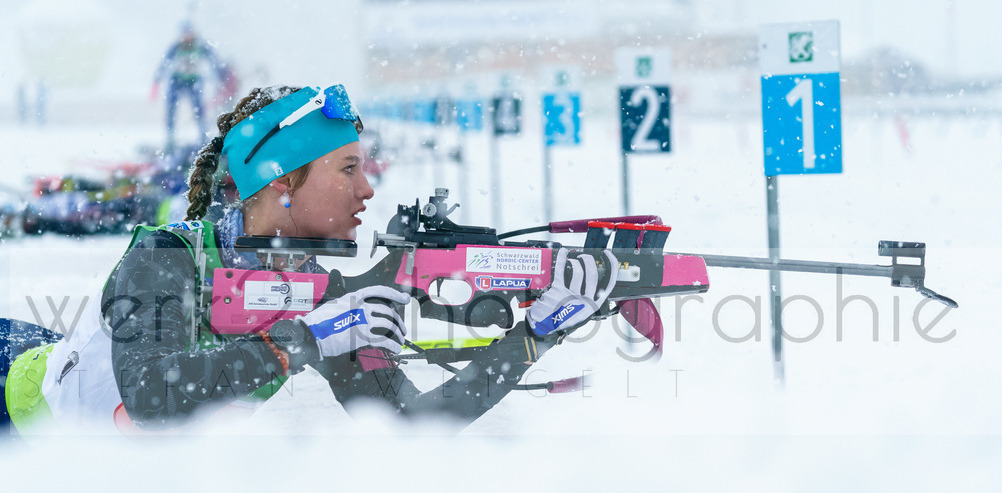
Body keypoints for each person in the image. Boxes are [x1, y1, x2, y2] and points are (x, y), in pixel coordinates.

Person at [1, 83, 617, 437]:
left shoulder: (320, 291)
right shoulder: (166, 258)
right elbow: (152, 399)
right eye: (348, 169)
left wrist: (533, 339)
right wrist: (299, 341)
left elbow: (413, 424)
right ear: (283, 181)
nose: (367, 188)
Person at [151, 21, 230, 150]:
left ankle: (203, 139)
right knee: (171, 109)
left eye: (188, 33)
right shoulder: (176, 46)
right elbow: (164, 63)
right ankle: (170, 140)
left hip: (194, 81)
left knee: (199, 110)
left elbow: (214, 61)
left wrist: (221, 78)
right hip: (176, 80)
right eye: (184, 33)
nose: (186, 36)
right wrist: (157, 80)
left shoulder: (201, 46)